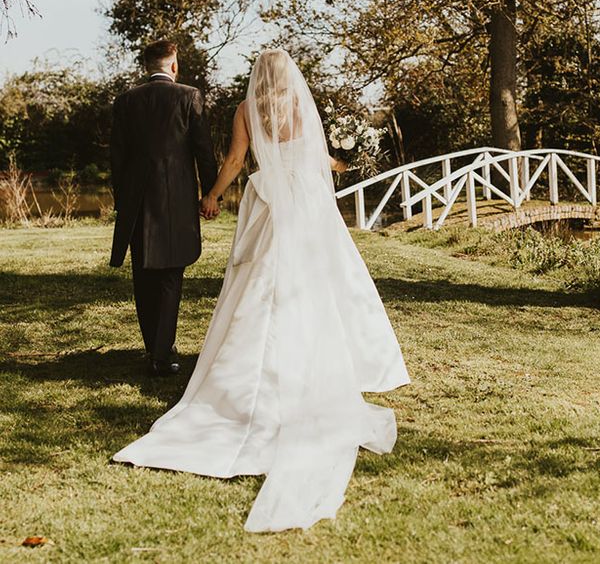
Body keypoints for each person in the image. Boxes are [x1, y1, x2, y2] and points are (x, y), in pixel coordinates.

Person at [113, 48, 410, 532]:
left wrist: (212, 194)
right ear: (289, 73)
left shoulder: (247, 110)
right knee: (316, 277)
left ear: (256, 77)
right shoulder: (300, 103)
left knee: (260, 281)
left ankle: (247, 365)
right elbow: (316, 158)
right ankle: (326, 353)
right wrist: (347, 161)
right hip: (305, 200)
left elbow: (235, 159)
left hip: (267, 197)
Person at [109, 40, 218, 376]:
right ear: (173, 65)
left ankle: (154, 349)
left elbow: (117, 158)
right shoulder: (190, 96)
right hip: (177, 200)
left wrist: (122, 199)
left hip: (137, 201)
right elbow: (203, 150)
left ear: (147, 67)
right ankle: (163, 353)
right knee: (171, 276)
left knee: (143, 276)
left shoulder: (126, 101)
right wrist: (211, 194)